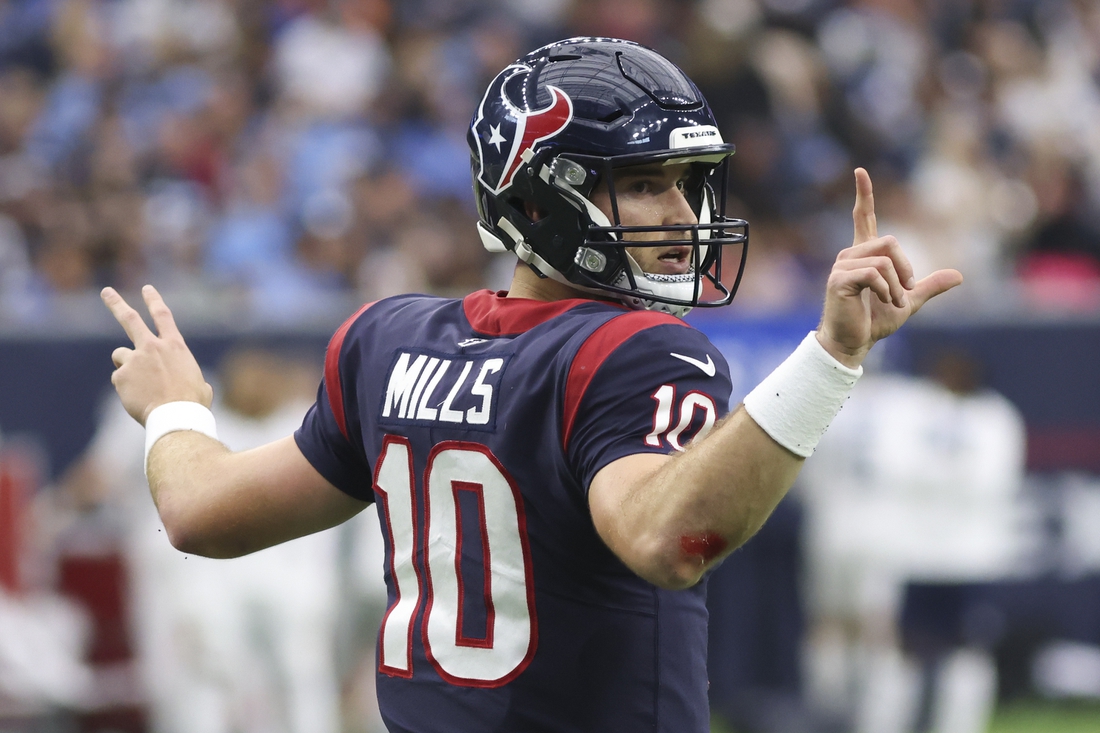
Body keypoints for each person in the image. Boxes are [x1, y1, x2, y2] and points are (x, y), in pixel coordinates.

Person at [100, 37, 962, 732]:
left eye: (687, 183)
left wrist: (173, 408)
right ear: (541, 201)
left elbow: (199, 511)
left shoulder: (388, 341)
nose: (683, 216)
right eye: (644, 185)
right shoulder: (633, 351)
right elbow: (668, 537)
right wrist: (830, 358)